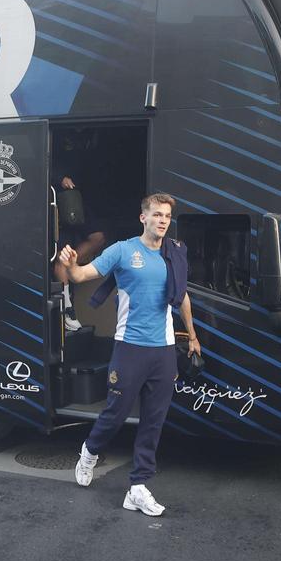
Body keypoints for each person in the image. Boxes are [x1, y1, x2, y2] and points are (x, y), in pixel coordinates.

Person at [58, 193, 199, 516]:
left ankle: (138, 487)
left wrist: (192, 336)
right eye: (157, 215)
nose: (163, 221)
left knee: (154, 420)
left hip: (162, 350)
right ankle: (90, 452)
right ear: (143, 218)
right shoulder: (123, 251)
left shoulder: (173, 254)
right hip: (129, 347)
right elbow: (80, 276)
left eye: (166, 216)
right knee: (115, 414)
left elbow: (183, 296)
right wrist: (71, 264)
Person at [51, 146, 106, 331]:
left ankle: (69, 267)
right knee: (60, 259)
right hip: (61, 202)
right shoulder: (55, 145)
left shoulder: (89, 143)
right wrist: (59, 179)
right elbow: (38, 165)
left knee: (98, 237)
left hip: (77, 200)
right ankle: (67, 309)